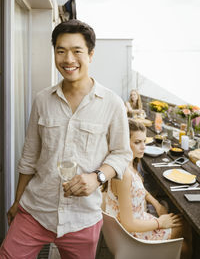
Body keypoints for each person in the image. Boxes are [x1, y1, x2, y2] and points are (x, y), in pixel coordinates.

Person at [0, 20, 132, 259]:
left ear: (91, 55)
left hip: (82, 218)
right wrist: (17, 201)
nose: (68, 59)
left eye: (77, 51)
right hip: (35, 210)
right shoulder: (42, 100)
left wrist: (97, 177)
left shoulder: (112, 104)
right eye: (61, 51)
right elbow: (29, 156)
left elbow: (122, 153)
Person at [104, 119, 192, 259]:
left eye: (144, 141)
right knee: (186, 228)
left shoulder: (125, 165)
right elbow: (128, 224)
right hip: (132, 237)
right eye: (137, 142)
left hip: (135, 224)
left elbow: (137, 189)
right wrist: (160, 222)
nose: (143, 146)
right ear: (123, 143)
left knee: (183, 225)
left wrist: (156, 204)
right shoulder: (124, 175)